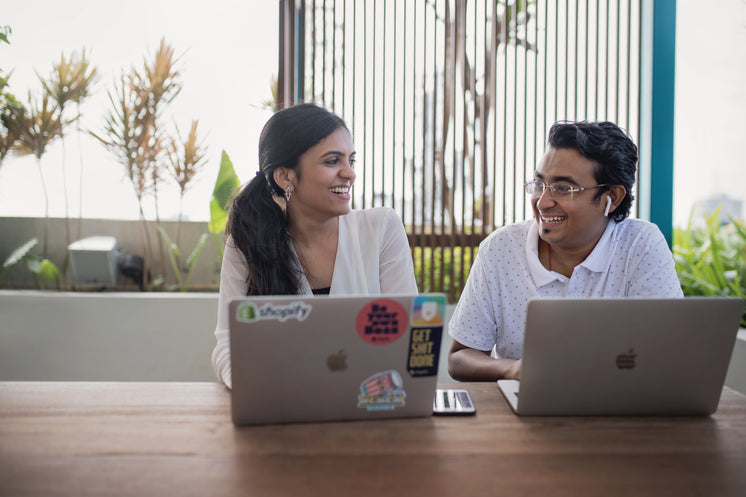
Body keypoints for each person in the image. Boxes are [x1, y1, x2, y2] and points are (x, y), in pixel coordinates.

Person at [447, 120, 683, 382]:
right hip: (524, 412)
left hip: (621, 410)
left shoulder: (640, 245)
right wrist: (512, 369)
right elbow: (460, 358)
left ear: (612, 198)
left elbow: (667, 355)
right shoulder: (500, 249)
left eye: (563, 188)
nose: (543, 202)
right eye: (539, 184)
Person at [211, 103, 418, 387]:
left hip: (370, 405)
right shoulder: (248, 243)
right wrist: (256, 390)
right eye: (333, 161)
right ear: (286, 177)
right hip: (282, 408)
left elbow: (406, 335)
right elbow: (227, 346)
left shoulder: (381, 229)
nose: (349, 174)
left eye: (351, 160)